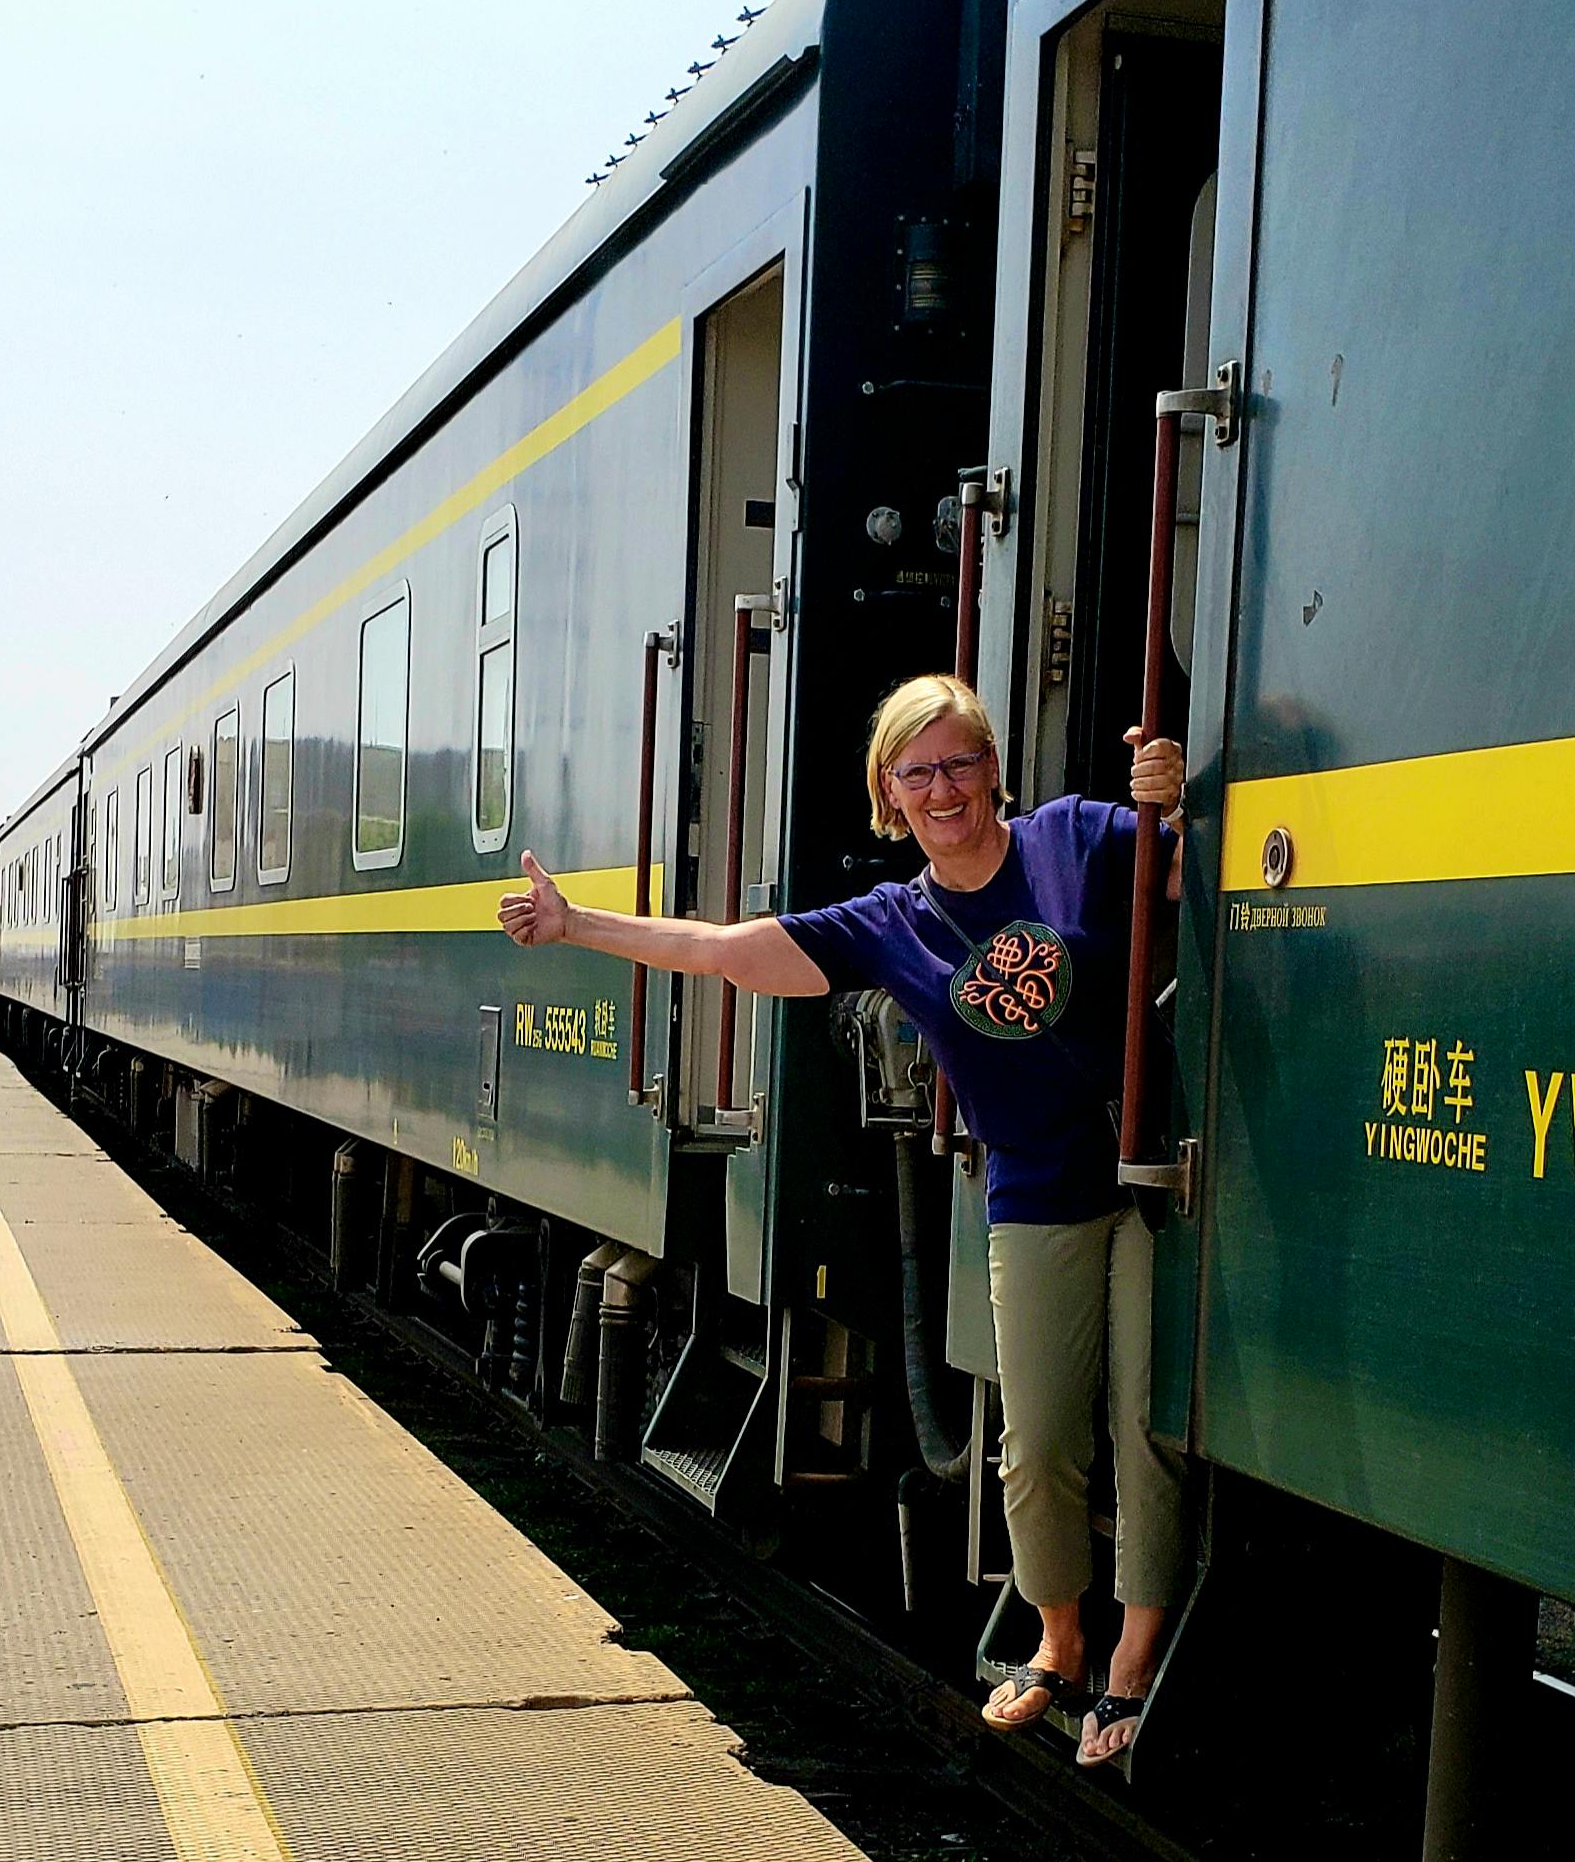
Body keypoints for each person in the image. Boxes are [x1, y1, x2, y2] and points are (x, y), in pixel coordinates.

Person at [501, 673, 1188, 1767]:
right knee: (1042, 1436)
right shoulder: (892, 923)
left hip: (1151, 1178)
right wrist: (577, 924)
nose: (944, 787)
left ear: (994, 768)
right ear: (889, 794)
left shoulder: (1075, 839)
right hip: (1035, 1191)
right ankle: (1058, 1640)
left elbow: (1197, 877)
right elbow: (726, 953)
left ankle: (1132, 1667)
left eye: (961, 761)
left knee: (1147, 1431)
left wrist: (1176, 798)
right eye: (918, 772)